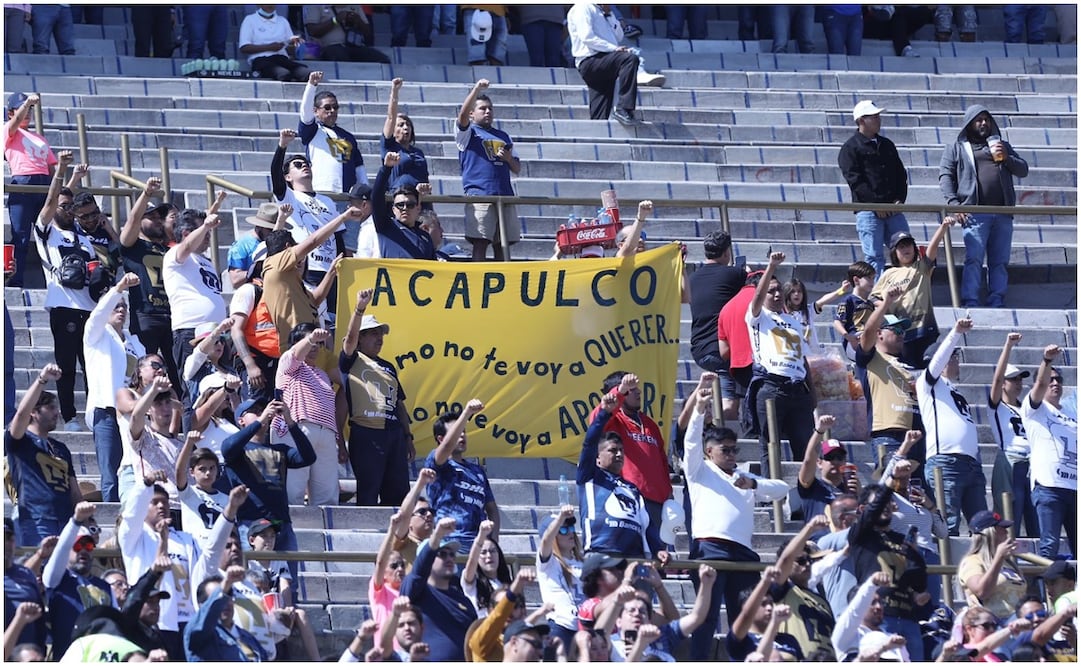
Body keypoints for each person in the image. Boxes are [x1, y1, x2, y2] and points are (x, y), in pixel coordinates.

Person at [682, 381, 790, 659]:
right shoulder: (699, 470)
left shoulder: (745, 477)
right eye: (725, 450)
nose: (731, 455)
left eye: (734, 450)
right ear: (710, 451)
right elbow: (691, 441)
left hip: (742, 552)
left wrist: (753, 485)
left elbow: (781, 488)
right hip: (710, 548)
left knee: (745, 615)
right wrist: (699, 408)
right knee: (705, 616)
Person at [119, 472, 241, 659]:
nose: (162, 506)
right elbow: (130, 517)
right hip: (153, 622)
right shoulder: (135, 539)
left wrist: (229, 512)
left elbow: (210, 555)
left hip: (188, 623)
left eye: (166, 502)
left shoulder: (186, 540)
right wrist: (146, 485)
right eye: (155, 502)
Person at [938, 104, 1029, 308]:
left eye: (986, 119)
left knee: (999, 262)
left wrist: (1007, 157)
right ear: (969, 124)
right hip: (975, 213)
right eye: (978, 120)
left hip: (1003, 212)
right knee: (974, 260)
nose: (983, 123)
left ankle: (997, 300)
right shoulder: (956, 147)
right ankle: (970, 301)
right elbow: (945, 176)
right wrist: (955, 204)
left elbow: (1023, 170)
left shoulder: (1001, 144)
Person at [33, 150, 94, 431]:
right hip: (63, 305)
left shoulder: (82, 236)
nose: (68, 210)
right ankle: (69, 415)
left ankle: (96, 414)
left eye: (71, 207)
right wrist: (63, 171)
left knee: (91, 366)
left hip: (90, 307)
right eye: (63, 207)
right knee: (67, 366)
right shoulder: (47, 232)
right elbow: (53, 200)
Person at [222, 398, 314, 583]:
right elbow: (228, 448)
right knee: (253, 582)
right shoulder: (238, 449)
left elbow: (308, 457)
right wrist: (261, 419)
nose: (262, 412)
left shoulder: (280, 449)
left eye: (262, 409)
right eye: (254, 411)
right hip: (251, 525)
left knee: (289, 584)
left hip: (281, 525)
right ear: (241, 420)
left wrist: (289, 421)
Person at [340, 288, 415, 506]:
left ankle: (397, 538)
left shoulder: (389, 366)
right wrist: (359, 308)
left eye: (381, 333)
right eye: (373, 333)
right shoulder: (351, 360)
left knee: (399, 492)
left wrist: (407, 436)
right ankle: (368, 537)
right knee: (369, 490)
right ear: (361, 338)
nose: (379, 338)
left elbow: (399, 403)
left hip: (394, 434)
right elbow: (349, 338)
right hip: (366, 433)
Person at [745, 251, 816, 467]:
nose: (776, 295)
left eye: (778, 291)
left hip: (798, 388)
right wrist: (772, 267)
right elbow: (757, 298)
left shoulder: (793, 321)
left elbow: (803, 359)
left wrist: (812, 394)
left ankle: (803, 494)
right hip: (772, 385)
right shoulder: (758, 316)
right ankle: (770, 497)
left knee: (804, 445)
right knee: (770, 444)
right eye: (771, 291)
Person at [918, 316, 988, 535]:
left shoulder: (952, 389)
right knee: (948, 528)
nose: (957, 360)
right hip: (946, 462)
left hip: (970, 464)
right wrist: (956, 333)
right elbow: (936, 363)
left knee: (984, 528)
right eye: (954, 356)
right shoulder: (928, 383)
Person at [589, 371, 672, 552]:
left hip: (657, 503)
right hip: (628, 499)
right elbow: (596, 420)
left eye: (637, 388)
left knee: (657, 560)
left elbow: (662, 462)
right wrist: (620, 390)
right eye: (631, 390)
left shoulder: (650, 424)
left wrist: (669, 494)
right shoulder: (613, 420)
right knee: (632, 556)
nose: (638, 392)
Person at [83, 273, 146, 502]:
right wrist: (118, 288)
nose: (121, 310)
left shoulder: (134, 341)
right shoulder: (95, 334)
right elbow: (98, 315)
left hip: (133, 413)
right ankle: (111, 510)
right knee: (111, 469)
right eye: (116, 306)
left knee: (133, 467)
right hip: (106, 410)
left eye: (124, 307)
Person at [846, 484, 928, 660]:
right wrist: (890, 485)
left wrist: (915, 555)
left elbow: (919, 583)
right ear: (863, 509)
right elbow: (870, 514)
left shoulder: (902, 540)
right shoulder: (861, 536)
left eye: (889, 502)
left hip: (908, 616)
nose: (886, 506)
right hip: (879, 617)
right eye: (880, 502)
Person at [270, 128, 349, 303]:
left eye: (306, 163)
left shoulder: (327, 201)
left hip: (331, 268)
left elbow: (338, 236)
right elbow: (275, 174)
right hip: (306, 267)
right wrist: (282, 145)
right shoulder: (289, 196)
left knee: (333, 321)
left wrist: (344, 264)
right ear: (288, 177)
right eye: (297, 165)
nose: (304, 165)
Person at [118, 177, 181, 390]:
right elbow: (132, 222)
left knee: (177, 372)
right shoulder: (132, 245)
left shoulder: (169, 249)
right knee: (143, 369)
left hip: (172, 316)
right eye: (150, 216)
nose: (156, 220)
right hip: (146, 314)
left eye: (158, 217)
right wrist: (146, 194)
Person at [5, 363, 80, 544]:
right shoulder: (20, 440)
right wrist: (42, 379)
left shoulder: (61, 448)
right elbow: (21, 413)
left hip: (67, 520)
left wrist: (82, 518)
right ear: (34, 412)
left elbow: (74, 491)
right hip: (35, 519)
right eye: (51, 408)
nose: (58, 413)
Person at [274, 325, 344, 508]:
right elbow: (296, 354)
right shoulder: (287, 364)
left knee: (327, 493)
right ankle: (289, 532)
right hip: (297, 429)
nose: (314, 347)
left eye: (318, 344)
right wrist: (311, 338)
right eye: (309, 342)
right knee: (293, 489)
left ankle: (329, 533)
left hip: (327, 433)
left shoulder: (322, 374)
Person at [577, 392, 653, 559]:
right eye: (612, 450)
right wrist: (604, 413)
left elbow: (646, 524)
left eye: (621, 451)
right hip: (601, 553)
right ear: (597, 458)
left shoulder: (632, 488)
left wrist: (658, 549)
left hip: (634, 558)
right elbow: (589, 443)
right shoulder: (589, 476)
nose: (619, 455)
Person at [838, 100, 910, 278]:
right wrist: (876, 204)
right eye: (874, 117)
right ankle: (876, 297)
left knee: (906, 252)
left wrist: (899, 200)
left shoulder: (887, 144)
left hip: (893, 209)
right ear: (862, 120)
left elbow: (900, 175)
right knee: (874, 256)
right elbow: (855, 181)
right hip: (868, 211)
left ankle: (906, 293)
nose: (879, 120)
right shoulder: (849, 149)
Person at [856, 286, 923, 467]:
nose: (902, 335)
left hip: (916, 433)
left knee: (917, 493)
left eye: (903, 331)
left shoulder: (906, 362)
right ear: (880, 334)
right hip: (888, 433)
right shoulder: (870, 357)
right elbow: (867, 333)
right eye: (896, 330)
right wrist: (886, 303)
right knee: (891, 487)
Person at [1021, 344, 1077, 559]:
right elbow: (1041, 382)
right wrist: (1047, 361)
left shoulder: (1071, 413)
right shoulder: (1035, 409)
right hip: (1049, 486)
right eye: (1050, 379)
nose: (1055, 383)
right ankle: (1047, 593)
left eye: (1059, 380)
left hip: (1074, 487)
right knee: (1049, 545)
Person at [455, 79, 521, 261]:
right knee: (480, 241)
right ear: (472, 113)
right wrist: (476, 89)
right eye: (482, 108)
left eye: (490, 108)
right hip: (479, 194)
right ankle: (479, 282)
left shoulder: (503, 135)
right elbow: (461, 116)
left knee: (503, 244)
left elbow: (517, 168)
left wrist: (508, 159)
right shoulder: (468, 134)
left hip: (504, 194)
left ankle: (504, 280)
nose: (488, 112)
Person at [162, 208, 226, 395]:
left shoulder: (206, 261)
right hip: (190, 330)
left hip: (215, 331)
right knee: (194, 389)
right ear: (186, 234)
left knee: (218, 388)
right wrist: (205, 225)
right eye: (204, 232)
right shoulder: (174, 255)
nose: (208, 236)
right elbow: (187, 247)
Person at [425, 399, 500, 552]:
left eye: (464, 431)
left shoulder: (477, 470)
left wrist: (493, 541)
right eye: (458, 432)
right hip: (450, 544)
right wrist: (466, 413)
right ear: (440, 438)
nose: (462, 436)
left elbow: (492, 509)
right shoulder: (437, 463)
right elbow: (446, 447)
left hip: (480, 545)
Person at [401, 517, 479, 662]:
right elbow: (418, 572)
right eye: (441, 554)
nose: (449, 558)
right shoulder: (415, 591)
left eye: (451, 554)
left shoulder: (461, 598)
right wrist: (437, 536)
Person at [41, 502, 112, 659]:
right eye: (78, 546)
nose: (84, 550)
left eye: (88, 545)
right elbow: (62, 548)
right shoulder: (57, 580)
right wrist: (76, 520)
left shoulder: (106, 586)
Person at [988, 333, 1037, 536]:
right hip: (1010, 460)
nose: (1018, 383)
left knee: (1034, 516)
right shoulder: (997, 406)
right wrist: (1008, 345)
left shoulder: (1026, 408)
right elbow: (997, 378)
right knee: (1011, 516)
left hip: (1032, 464)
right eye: (1012, 379)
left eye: (1019, 379)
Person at [5, 92, 57, 288]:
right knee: (21, 235)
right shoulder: (9, 130)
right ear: (11, 112)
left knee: (50, 235)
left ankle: (56, 279)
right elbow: (17, 121)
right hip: (23, 182)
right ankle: (15, 279)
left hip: (44, 184)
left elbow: (51, 165)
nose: (27, 113)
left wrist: (58, 188)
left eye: (29, 110)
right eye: (21, 109)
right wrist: (27, 103)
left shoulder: (39, 138)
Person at [567, 3, 642, 125]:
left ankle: (597, 131)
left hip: (605, 58)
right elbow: (587, 37)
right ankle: (624, 108)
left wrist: (610, 14)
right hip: (590, 59)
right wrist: (613, 49)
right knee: (629, 59)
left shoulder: (603, 11)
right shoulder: (583, 7)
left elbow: (619, 36)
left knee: (600, 109)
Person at [297, 71, 368, 199]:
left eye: (335, 107)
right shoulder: (312, 131)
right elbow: (305, 114)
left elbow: (359, 167)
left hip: (348, 196)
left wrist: (366, 192)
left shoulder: (348, 136)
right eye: (327, 107)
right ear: (316, 111)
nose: (332, 111)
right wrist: (311, 85)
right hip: (322, 193)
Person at [688, 230, 745, 384]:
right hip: (721, 350)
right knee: (730, 403)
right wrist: (747, 274)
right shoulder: (735, 274)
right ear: (727, 252)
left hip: (699, 350)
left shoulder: (692, 278)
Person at [184, 566, 268, 661]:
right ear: (202, 605)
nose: (225, 603)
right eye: (219, 598)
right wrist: (225, 584)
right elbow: (200, 626)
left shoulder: (248, 638)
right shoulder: (199, 635)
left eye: (228, 595)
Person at [717, 270, 764, 429]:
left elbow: (723, 352)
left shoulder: (726, 308)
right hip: (765, 364)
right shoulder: (766, 300)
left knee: (749, 409)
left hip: (739, 368)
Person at [958, 510, 1025, 619]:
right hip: (992, 623)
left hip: (1017, 622)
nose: (1006, 533)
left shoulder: (1008, 562)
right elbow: (981, 592)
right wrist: (998, 557)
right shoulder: (972, 561)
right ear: (990, 533)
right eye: (1002, 528)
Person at [725, 568, 803, 661]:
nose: (769, 608)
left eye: (771, 603)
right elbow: (746, 614)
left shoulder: (789, 639)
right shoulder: (741, 640)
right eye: (763, 604)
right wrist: (765, 582)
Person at [371, 153, 437, 260]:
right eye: (400, 205)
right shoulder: (385, 227)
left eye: (410, 205)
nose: (405, 208)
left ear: (418, 208)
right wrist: (386, 168)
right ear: (393, 209)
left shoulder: (425, 237)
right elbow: (376, 197)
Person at [796, 415, 859, 527]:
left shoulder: (852, 488)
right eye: (830, 457)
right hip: (818, 541)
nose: (835, 461)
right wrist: (819, 431)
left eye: (840, 458)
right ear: (819, 463)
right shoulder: (811, 487)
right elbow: (807, 461)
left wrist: (860, 495)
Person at [535, 506, 584, 649]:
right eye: (563, 530)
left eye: (571, 528)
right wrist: (560, 518)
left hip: (584, 627)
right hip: (561, 626)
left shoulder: (583, 561)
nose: (570, 532)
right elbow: (545, 542)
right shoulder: (548, 562)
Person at [174, 433, 229, 549]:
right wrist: (189, 443)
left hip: (219, 551)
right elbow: (179, 471)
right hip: (195, 549)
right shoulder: (188, 493)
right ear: (192, 472)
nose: (208, 473)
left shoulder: (227, 499)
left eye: (212, 468)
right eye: (202, 469)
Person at [238, 5, 309, 82]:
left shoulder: (283, 21)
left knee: (306, 73)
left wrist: (292, 45)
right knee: (283, 73)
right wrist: (270, 47)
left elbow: (290, 49)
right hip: (260, 59)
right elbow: (244, 47)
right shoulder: (250, 20)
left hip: (282, 58)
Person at [225, 202, 287, 290]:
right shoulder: (241, 245)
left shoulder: (279, 244)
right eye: (270, 229)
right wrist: (255, 271)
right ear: (260, 226)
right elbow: (235, 280)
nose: (273, 233)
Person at [823, 260, 876, 362]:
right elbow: (837, 321)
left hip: (868, 339)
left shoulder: (870, 303)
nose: (872, 282)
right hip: (855, 340)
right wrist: (847, 336)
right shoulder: (848, 300)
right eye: (869, 278)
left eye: (873, 278)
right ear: (856, 280)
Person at [302, 6, 389, 64]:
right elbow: (312, 31)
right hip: (328, 47)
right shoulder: (315, 4)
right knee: (340, 57)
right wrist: (335, 20)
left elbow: (368, 34)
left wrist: (357, 20)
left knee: (383, 60)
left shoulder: (354, 5)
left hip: (354, 46)